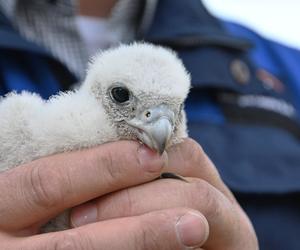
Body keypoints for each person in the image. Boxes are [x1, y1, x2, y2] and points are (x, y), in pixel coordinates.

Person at [5, 0, 298, 249]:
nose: (161, 127)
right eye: (122, 97)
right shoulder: (19, 117)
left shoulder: (286, 72)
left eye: (174, 111)